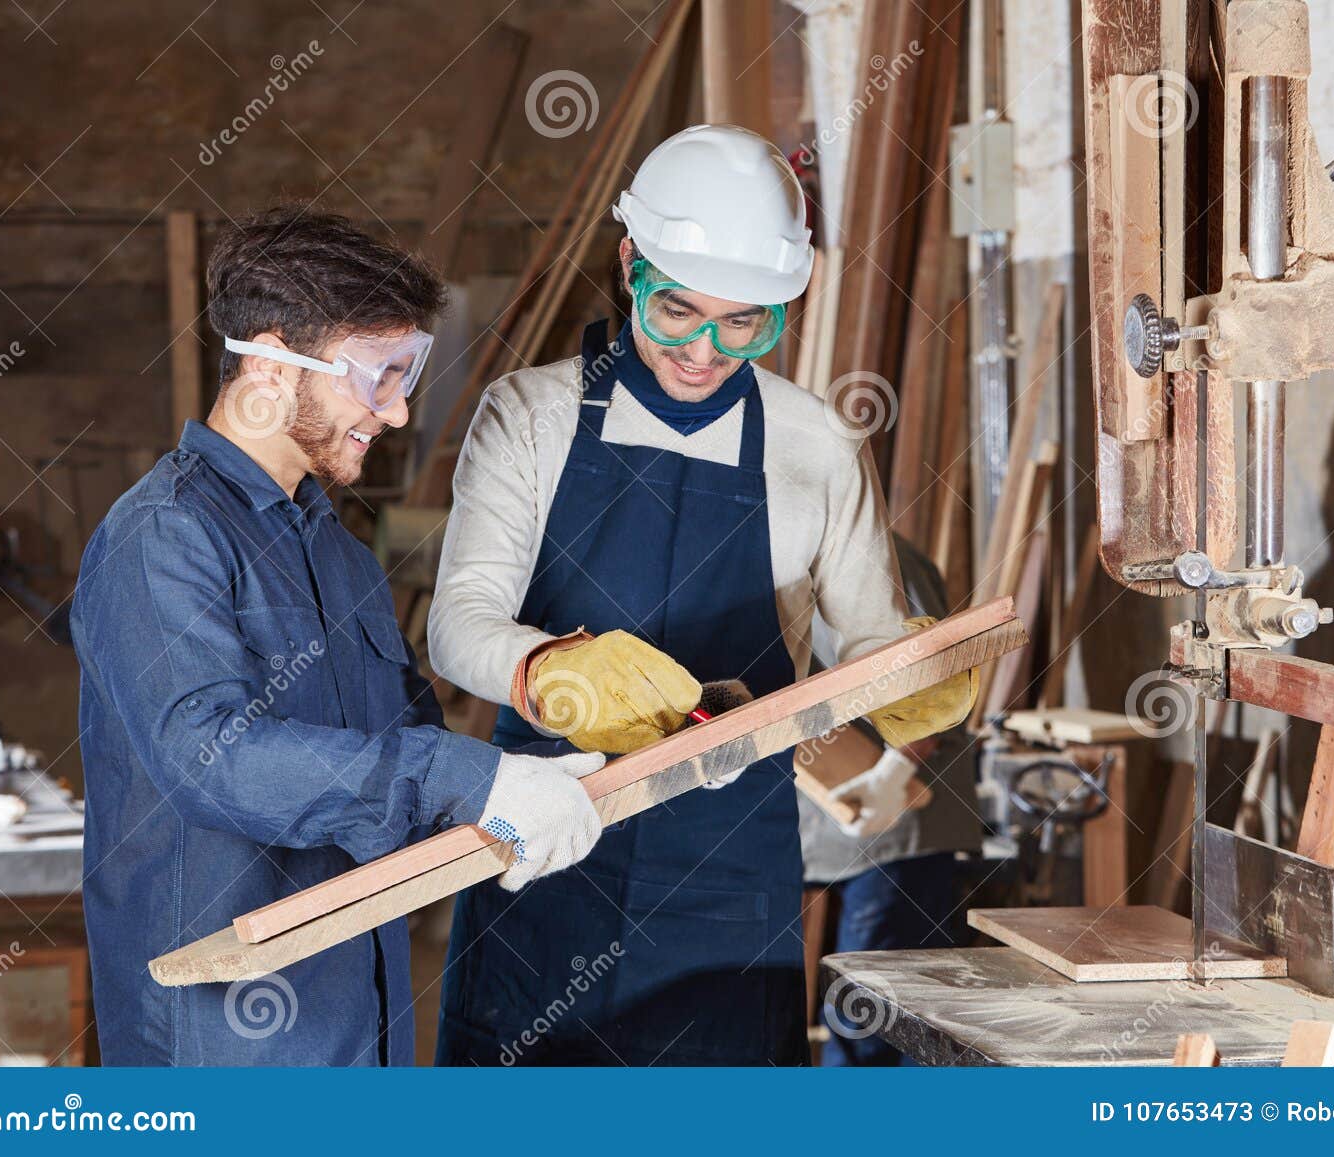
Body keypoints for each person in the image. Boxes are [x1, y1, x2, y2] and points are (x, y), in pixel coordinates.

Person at [428, 125, 981, 1066]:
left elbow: (868, 643)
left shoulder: (818, 445)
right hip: (553, 832)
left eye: (743, 323)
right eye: (677, 310)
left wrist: (908, 677)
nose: (703, 349)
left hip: (729, 864)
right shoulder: (531, 415)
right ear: (629, 260)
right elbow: (457, 624)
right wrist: (550, 671)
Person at [71, 207, 605, 1066]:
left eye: (407, 372)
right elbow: (217, 757)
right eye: (376, 375)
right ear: (272, 364)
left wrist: (507, 803)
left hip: (364, 1031)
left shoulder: (340, 555)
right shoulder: (162, 539)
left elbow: (392, 769)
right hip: (226, 1056)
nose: (395, 412)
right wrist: (467, 774)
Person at [802, 536, 983, 1065]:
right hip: (844, 809)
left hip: (901, 812)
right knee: (860, 1003)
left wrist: (896, 769)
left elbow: (932, 676)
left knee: (884, 1006)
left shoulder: (877, 557)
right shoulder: (793, 553)